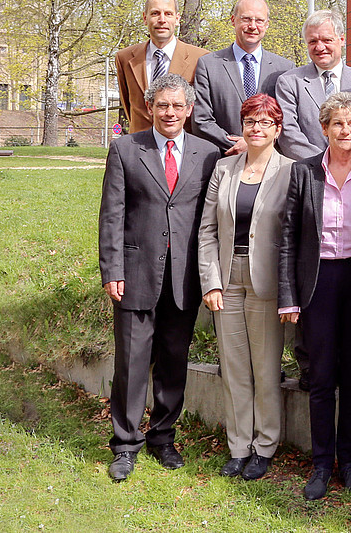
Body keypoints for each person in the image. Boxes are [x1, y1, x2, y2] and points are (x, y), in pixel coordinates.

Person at [98, 73, 220, 482]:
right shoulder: (126, 149)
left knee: (174, 361)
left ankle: (163, 437)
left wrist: (209, 274)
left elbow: (210, 219)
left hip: (184, 277)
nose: (170, 113)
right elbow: (112, 214)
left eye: (177, 106)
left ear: (189, 110)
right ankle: (125, 444)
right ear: (150, 108)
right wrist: (112, 269)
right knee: (131, 364)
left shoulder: (207, 154)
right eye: (162, 105)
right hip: (135, 273)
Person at [278, 92, 351, 500]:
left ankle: (348, 460)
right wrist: (288, 295)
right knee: (320, 378)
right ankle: (320, 463)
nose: (345, 130)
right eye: (337, 123)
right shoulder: (304, 173)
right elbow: (287, 237)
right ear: (324, 129)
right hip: (316, 282)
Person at [197, 93, 294, 481]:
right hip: (227, 277)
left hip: (266, 281)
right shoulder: (224, 169)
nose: (257, 128)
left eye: (265, 122)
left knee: (266, 368)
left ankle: (265, 445)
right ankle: (238, 446)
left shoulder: (291, 171)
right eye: (251, 121)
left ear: (278, 129)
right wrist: (211, 281)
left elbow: (293, 236)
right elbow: (206, 229)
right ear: (242, 126)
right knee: (234, 368)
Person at [192, 0, 295, 155]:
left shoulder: (284, 68)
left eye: (259, 20)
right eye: (246, 19)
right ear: (233, 20)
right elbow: (201, 120)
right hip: (223, 160)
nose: (252, 26)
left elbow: (288, 122)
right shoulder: (208, 65)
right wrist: (239, 144)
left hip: (270, 163)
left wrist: (257, 143)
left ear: (267, 24)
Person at [275, 10, 351, 161]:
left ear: (341, 39)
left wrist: (350, 162)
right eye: (313, 41)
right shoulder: (290, 82)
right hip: (310, 171)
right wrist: (324, 162)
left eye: (327, 40)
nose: (320, 47)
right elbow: (288, 133)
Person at [115, 0, 209, 134]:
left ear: (177, 19)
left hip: (182, 148)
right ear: (145, 18)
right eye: (155, 13)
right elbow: (128, 106)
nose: (162, 20)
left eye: (168, 14)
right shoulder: (125, 58)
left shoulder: (201, 59)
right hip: (140, 147)